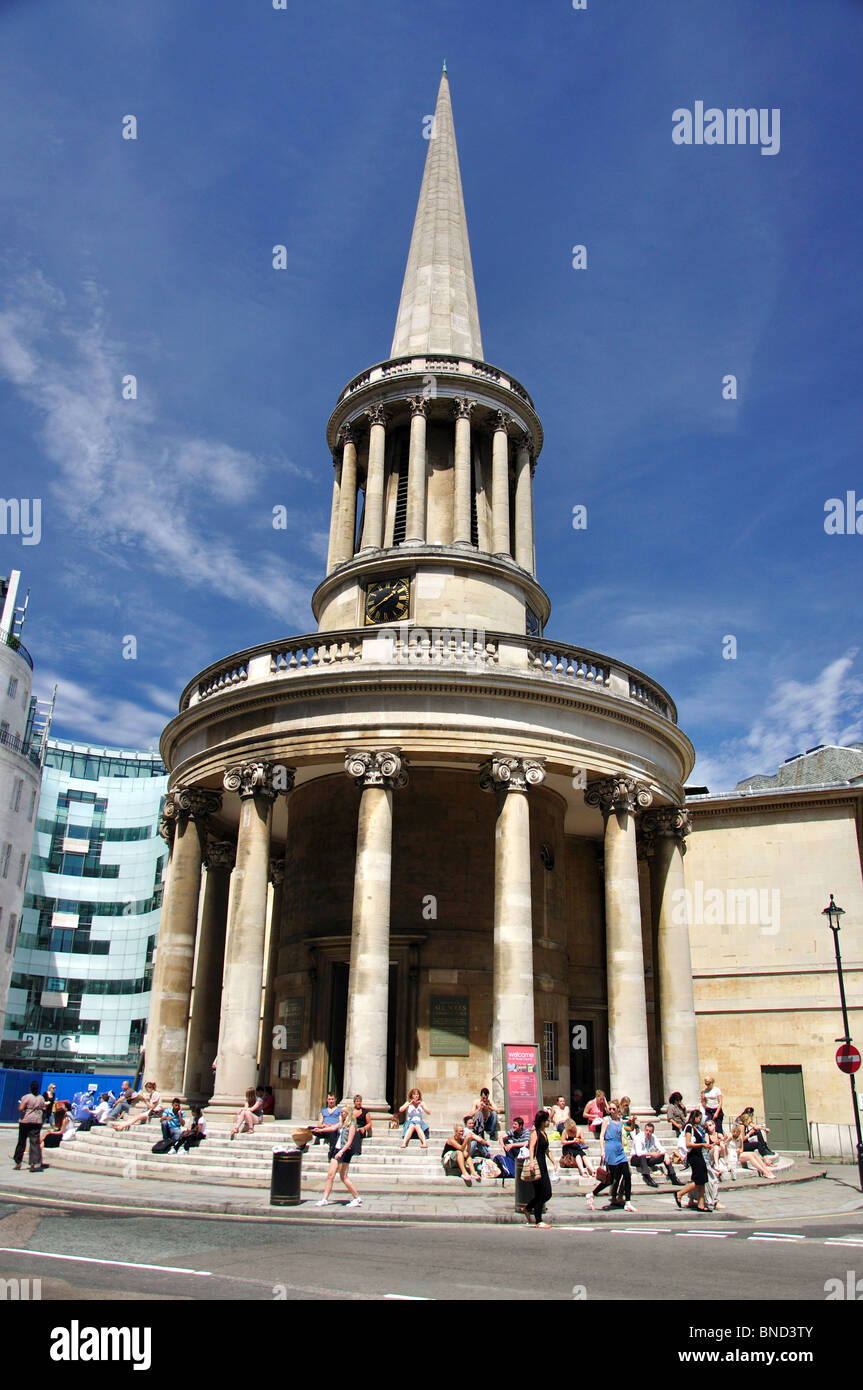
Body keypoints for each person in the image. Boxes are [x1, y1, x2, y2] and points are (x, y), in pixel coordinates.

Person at [586, 1101, 636, 1212]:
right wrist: (602, 1150)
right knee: (610, 1178)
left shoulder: (620, 1121)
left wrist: (632, 1121)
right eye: (610, 1109)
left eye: (614, 1109)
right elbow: (602, 1135)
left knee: (627, 1175)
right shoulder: (606, 1120)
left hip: (619, 1149)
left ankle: (628, 1202)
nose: (612, 1111)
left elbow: (631, 1128)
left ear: (618, 1110)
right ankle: (592, 1194)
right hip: (610, 1148)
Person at [316, 1105, 361, 1207]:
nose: (342, 1114)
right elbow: (332, 1128)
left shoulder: (352, 1125)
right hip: (336, 1150)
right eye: (341, 1112)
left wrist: (341, 1152)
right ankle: (324, 1199)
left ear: (348, 1113)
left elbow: (349, 1142)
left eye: (344, 1112)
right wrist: (320, 1130)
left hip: (344, 1151)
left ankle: (356, 1198)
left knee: (343, 1177)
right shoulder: (342, 1123)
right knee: (330, 1175)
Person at [523, 1110, 557, 1227]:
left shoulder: (544, 1134)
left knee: (546, 1193)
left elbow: (547, 1150)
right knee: (541, 1193)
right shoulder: (535, 1134)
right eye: (547, 1120)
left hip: (543, 1164)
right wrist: (532, 1162)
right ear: (542, 1122)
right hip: (537, 1164)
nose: (549, 1122)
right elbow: (531, 1148)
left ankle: (528, 1208)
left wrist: (554, 1162)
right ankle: (538, 1220)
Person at [674, 1109, 710, 1212]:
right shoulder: (689, 1127)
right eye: (699, 1118)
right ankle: (680, 1193)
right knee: (698, 1180)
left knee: (703, 1180)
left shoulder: (696, 1128)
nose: (700, 1120)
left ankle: (701, 1204)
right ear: (695, 1117)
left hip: (699, 1155)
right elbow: (688, 1143)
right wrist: (702, 1145)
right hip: (694, 1156)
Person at [630, 1121, 681, 1187]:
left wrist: (666, 1155)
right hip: (636, 1158)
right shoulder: (639, 1137)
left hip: (648, 1159)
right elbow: (639, 1153)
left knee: (663, 1156)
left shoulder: (653, 1137)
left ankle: (673, 1176)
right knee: (642, 1156)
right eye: (646, 1130)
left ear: (652, 1132)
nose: (648, 1133)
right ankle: (647, 1177)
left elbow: (660, 1148)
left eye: (650, 1131)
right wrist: (652, 1154)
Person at [14, 1082, 49, 1171]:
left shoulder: (26, 1097)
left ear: (30, 1088)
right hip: (37, 1121)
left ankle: (18, 1162)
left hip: (25, 1121)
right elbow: (44, 1108)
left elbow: (21, 1108)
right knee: (34, 1142)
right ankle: (33, 1164)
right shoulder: (41, 1098)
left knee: (22, 1141)